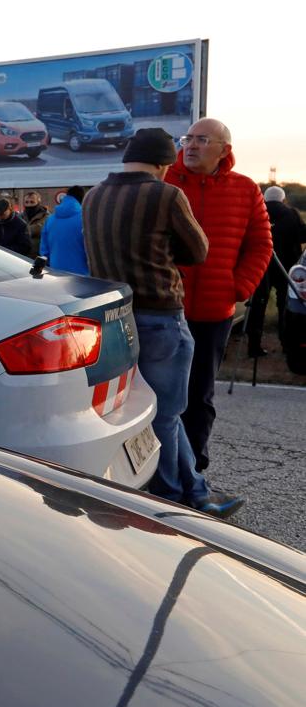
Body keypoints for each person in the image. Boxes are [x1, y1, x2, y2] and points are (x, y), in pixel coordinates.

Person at [82, 128, 242, 517]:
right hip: (161, 317)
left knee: (148, 411)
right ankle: (169, 501)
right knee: (168, 415)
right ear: (163, 164)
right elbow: (198, 251)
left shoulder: (93, 195)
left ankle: (198, 492)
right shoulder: (165, 193)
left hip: (116, 317)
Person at [164, 118, 272, 473]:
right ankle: (156, 467)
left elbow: (260, 245)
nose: (191, 146)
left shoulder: (245, 189)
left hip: (214, 311)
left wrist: (238, 287)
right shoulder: (163, 182)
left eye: (202, 140)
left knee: (200, 394)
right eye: (188, 139)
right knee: (156, 392)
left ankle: (193, 469)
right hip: (163, 307)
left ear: (224, 149)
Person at [247, 185, 306, 357]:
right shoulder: (292, 214)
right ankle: (286, 345)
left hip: (260, 267)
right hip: (285, 268)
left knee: (257, 306)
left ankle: (254, 346)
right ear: (283, 199)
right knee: (284, 306)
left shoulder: (257, 212)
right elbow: (302, 236)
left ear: (264, 198)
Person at [39, 185, 89, 275]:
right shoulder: (85, 219)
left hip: (56, 273)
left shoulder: (50, 219)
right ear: (82, 198)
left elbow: (44, 251)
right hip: (82, 275)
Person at [22, 191, 49, 256]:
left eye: (32, 202)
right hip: (23, 256)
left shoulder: (47, 217)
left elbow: (40, 229)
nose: (29, 205)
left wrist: (22, 230)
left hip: (40, 256)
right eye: (26, 202)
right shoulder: (20, 216)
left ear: (38, 203)